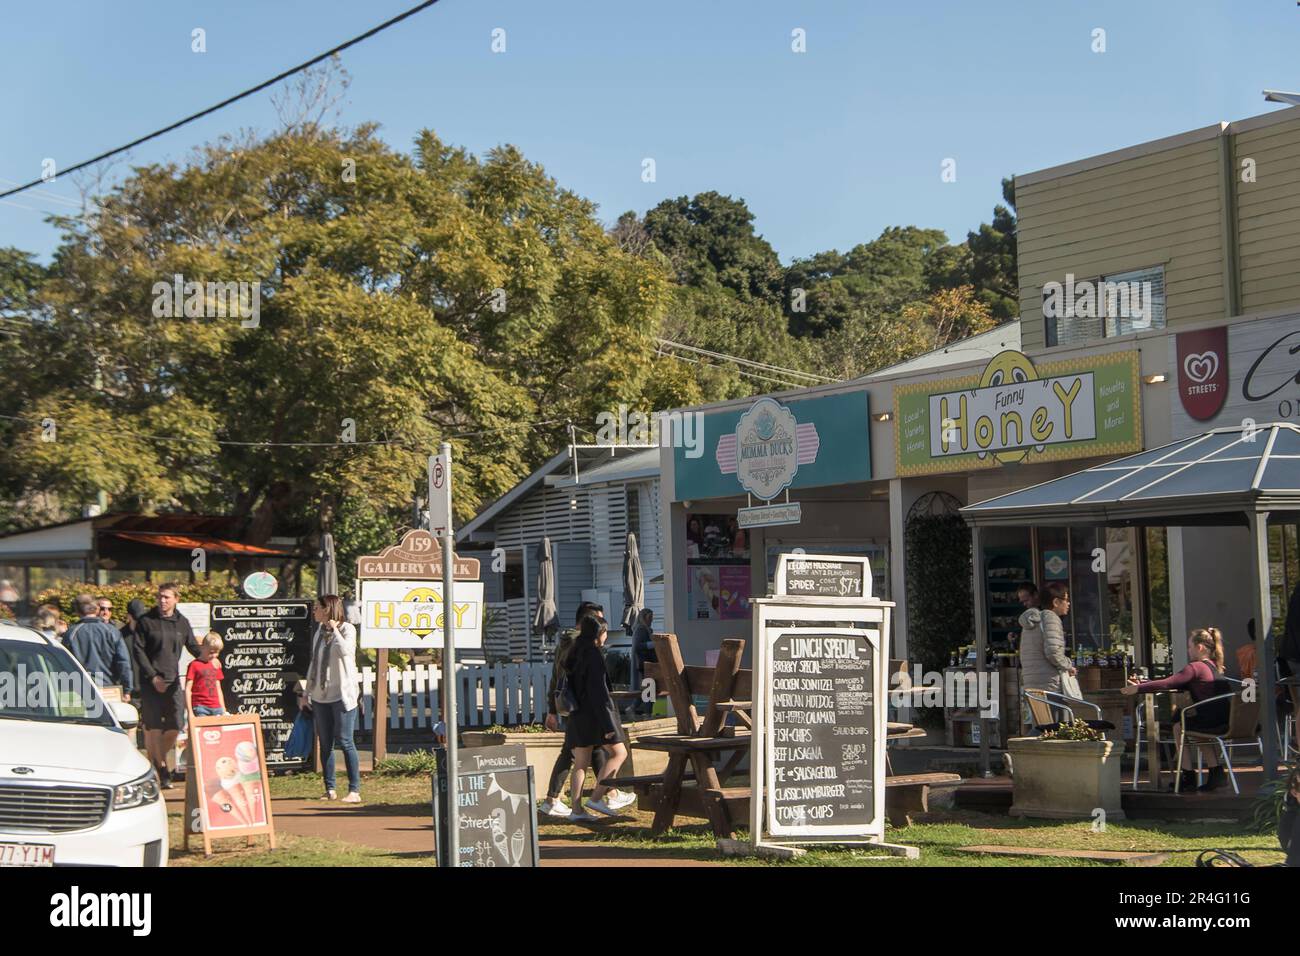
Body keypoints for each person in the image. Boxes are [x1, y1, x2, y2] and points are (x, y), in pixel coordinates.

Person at [1123, 627, 1231, 792]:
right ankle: (1216, 773)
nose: (1188, 651)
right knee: (1192, 726)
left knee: (1178, 726)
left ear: (1199, 647)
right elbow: (1175, 682)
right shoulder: (1215, 666)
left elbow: (1169, 683)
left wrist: (1138, 689)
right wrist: (1145, 684)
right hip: (1224, 719)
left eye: (1189, 647)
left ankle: (1188, 776)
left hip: (1210, 721)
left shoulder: (1196, 667)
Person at [540, 602, 611, 817]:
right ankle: (576, 802)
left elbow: (557, 677)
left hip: (572, 704)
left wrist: (553, 706)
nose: (602, 626)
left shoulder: (570, 642)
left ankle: (560, 800)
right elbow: (577, 679)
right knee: (580, 754)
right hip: (580, 706)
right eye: (599, 621)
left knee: (583, 751)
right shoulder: (580, 646)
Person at [132, 582, 201, 788]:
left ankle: (155, 761)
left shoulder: (182, 622)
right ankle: (162, 769)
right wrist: (153, 676)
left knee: (176, 724)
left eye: (167, 597)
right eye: (160, 596)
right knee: (154, 727)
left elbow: (193, 647)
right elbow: (138, 651)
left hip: (173, 681)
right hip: (150, 681)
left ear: (176, 599)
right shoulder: (146, 621)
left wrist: (209, 658)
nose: (162, 600)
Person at [565, 615, 631, 821]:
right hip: (595, 716)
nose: (605, 636)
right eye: (604, 632)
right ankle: (596, 797)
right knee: (619, 753)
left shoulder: (574, 652)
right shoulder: (593, 655)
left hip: (577, 715)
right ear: (598, 634)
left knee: (581, 763)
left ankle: (576, 810)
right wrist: (608, 725)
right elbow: (599, 693)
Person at [304, 594, 361, 803]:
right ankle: (330, 788)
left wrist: (335, 629)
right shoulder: (319, 631)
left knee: (345, 740)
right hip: (321, 695)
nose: (314, 611)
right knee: (325, 742)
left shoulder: (348, 630)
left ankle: (354, 790)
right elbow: (315, 661)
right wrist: (306, 691)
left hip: (342, 695)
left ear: (328, 609)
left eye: (318, 608)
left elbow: (346, 652)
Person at [64, 592, 134, 701]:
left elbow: (64, 664)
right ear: (97, 609)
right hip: (109, 690)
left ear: (77, 611)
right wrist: (127, 689)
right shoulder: (112, 631)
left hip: (80, 690)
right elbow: (123, 662)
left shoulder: (72, 633)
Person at [1018, 582, 1074, 695]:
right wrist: (1068, 665)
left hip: (1032, 683)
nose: (1068, 603)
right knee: (1056, 712)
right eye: (1066, 599)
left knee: (1039, 713)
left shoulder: (1031, 621)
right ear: (1056, 602)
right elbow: (1053, 652)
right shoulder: (1050, 618)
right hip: (1048, 683)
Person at [185, 631, 227, 716]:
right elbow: (188, 689)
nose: (214, 655)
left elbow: (218, 688)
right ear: (203, 647)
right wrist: (190, 712)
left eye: (217, 652)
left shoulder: (215, 665)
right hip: (200, 707)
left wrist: (223, 708)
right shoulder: (194, 665)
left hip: (217, 707)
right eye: (211, 652)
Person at [631, 608, 656, 716]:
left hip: (648, 664)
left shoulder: (646, 629)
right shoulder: (641, 629)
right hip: (644, 664)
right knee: (649, 689)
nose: (651, 620)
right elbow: (638, 646)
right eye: (649, 618)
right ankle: (646, 712)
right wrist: (653, 644)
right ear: (644, 618)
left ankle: (635, 708)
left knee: (648, 689)